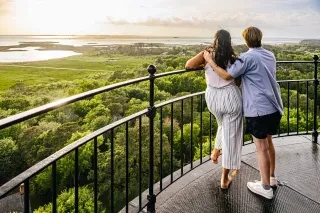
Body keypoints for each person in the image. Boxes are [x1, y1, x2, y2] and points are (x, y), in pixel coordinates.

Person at [203, 26, 283, 199]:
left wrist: (209, 60)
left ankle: (265, 188)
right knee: (269, 143)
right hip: (274, 106)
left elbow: (226, 76)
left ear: (246, 40)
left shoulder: (246, 58)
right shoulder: (270, 55)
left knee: (261, 148)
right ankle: (271, 178)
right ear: (260, 38)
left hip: (258, 108)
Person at [185, 29, 243, 189]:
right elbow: (236, 81)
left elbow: (188, 65)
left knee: (222, 125)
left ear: (215, 40)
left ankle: (216, 150)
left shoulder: (207, 54)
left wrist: (206, 55)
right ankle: (224, 179)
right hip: (230, 98)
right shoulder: (233, 60)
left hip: (212, 98)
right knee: (230, 137)